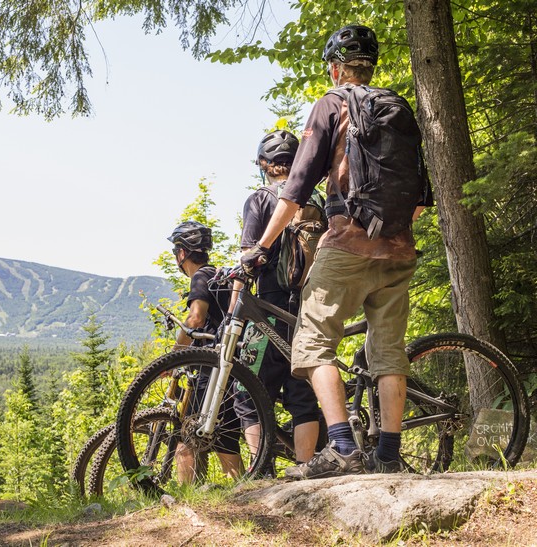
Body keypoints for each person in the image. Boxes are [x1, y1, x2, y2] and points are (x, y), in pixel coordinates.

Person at [240, 24, 433, 478]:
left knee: (312, 343)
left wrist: (259, 248)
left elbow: (297, 186)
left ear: (334, 69)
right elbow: (421, 198)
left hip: (347, 243)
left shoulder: (333, 104)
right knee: (388, 352)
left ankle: (343, 449)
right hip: (400, 247)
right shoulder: (397, 108)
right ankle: (387, 455)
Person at [232, 130, 322, 465]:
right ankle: (304, 469)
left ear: (266, 165)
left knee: (249, 393)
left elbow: (247, 262)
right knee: (302, 395)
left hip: (268, 311)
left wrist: (233, 316)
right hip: (311, 310)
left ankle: (260, 471)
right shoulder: (317, 199)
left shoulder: (260, 199)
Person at [167, 221, 243, 482]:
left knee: (186, 436)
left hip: (209, 366)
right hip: (229, 365)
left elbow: (195, 318)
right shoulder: (219, 275)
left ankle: (185, 494)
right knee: (225, 437)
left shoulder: (201, 277)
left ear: (182, 253)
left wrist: (173, 357)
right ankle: (243, 489)